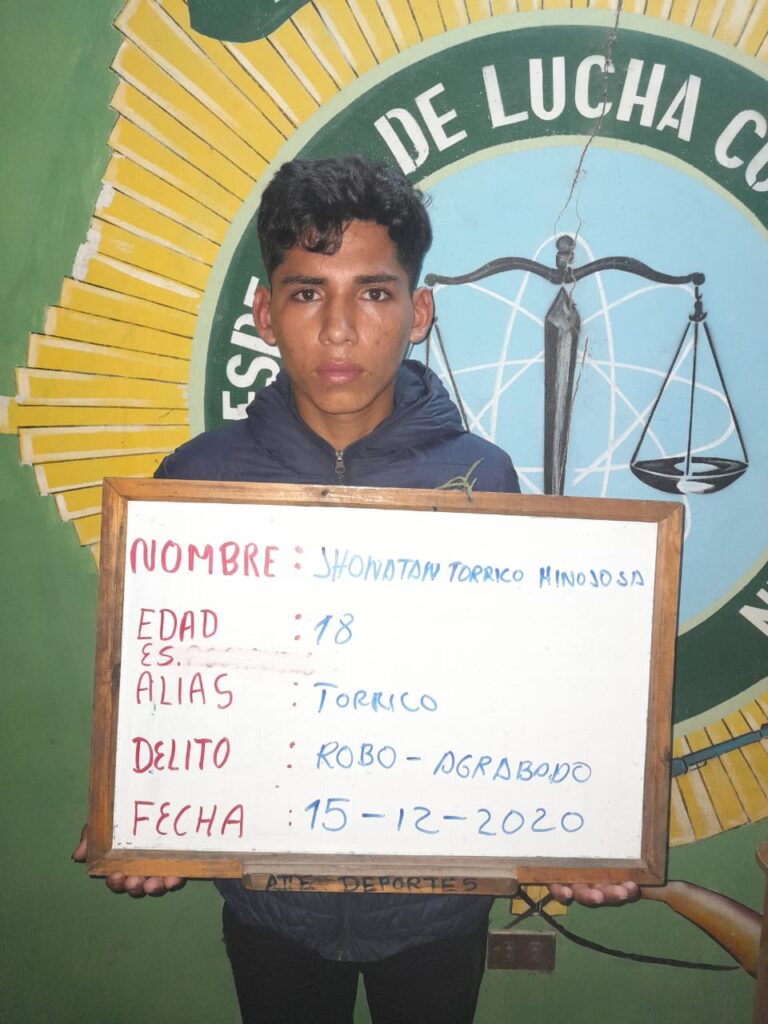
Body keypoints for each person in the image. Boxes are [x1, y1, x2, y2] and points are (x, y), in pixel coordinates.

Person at [74, 156, 637, 1023]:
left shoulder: (484, 478)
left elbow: (523, 693)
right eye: (307, 293)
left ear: (419, 312)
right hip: (272, 909)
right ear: (265, 313)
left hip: (437, 911)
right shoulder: (195, 484)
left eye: (373, 293)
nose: (339, 329)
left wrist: (578, 831)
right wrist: (141, 818)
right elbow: (162, 688)